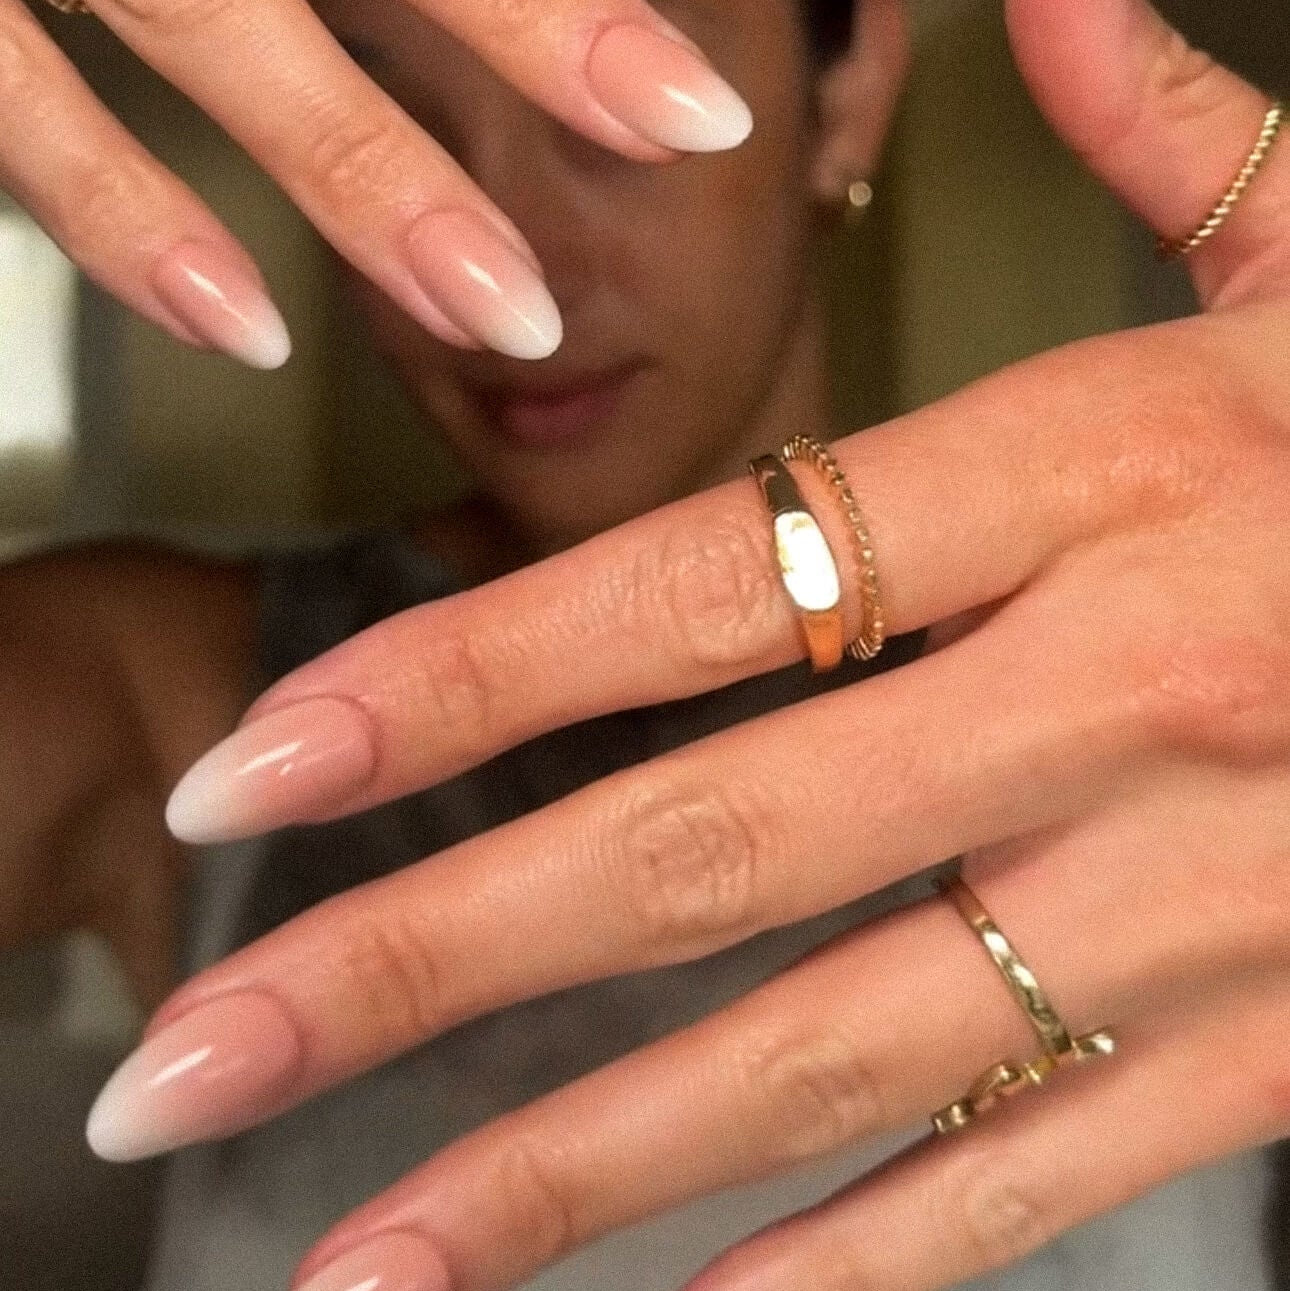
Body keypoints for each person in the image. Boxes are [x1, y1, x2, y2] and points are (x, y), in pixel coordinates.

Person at [1, 1, 1288, 1290]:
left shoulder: (1209, 695)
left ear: (842, 99)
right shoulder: (154, 685)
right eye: (396, 120)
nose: (521, 266)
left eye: (604, 119)